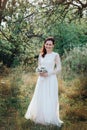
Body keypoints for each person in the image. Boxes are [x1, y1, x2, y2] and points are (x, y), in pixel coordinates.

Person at [24, 37, 63, 127]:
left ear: (53, 45)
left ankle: (49, 118)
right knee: (40, 97)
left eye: (50, 44)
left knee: (50, 97)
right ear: (44, 45)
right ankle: (40, 117)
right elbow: (39, 67)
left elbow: (59, 68)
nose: (48, 46)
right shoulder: (41, 55)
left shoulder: (55, 55)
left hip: (51, 79)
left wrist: (48, 73)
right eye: (47, 44)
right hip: (41, 80)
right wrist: (39, 72)